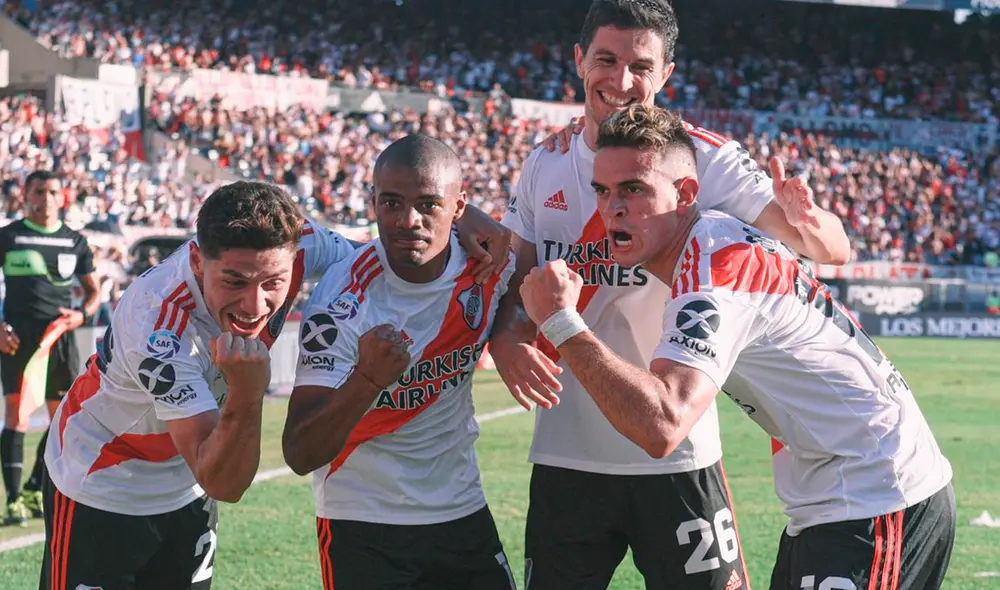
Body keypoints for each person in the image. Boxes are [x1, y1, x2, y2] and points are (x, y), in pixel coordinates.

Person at [490, 1, 852, 588]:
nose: (622, 81)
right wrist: (508, 341)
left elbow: (829, 249)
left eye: (641, 66)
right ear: (580, 60)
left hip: (680, 455)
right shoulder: (545, 163)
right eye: (606, 59)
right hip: (566, 457)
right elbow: (518, 282)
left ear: (666, 75)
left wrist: (808, 219)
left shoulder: (703, 158)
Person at [520, 103, 955, 590]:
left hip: (878, 495)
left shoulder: (716, 269)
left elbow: (662, 425)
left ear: (686, 193)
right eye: (602, 191)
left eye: (634, 189)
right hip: (833, 494)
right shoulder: (705, 251)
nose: (612, 208)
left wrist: (561, 322)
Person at [40, 180, 511, 589]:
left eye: (273, 282)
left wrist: (458, 223)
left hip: (186, 485)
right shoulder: (159, 325)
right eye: (235, 281)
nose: (254, 304)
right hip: (99, 482)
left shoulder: (303, 242)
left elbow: (383, 258)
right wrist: (247, 393)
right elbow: (226, 481)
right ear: (199, 261)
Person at [283, 134, 517, 590]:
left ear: (459, 206)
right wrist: (368, 379)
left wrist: (515, 339)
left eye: (428, 204)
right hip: (363, 521)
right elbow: (299, 452)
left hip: (460, 508)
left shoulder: (490, 262)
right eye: (391, 203)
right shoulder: (342, 299)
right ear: (373, 203)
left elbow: (531, 288)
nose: (408, 220)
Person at [0, 170, 100, 526]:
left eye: (53, 191)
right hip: (18, 340)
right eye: (39, 191)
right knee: (18, 416)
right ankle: (13, 502)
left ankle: (31, 488)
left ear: (63, 196)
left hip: (60, 339)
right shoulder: (8, 236)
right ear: (26, 195)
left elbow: (93, 292)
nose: (46, 197)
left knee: (63, 421)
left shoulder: (75, 241)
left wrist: (80, 316)